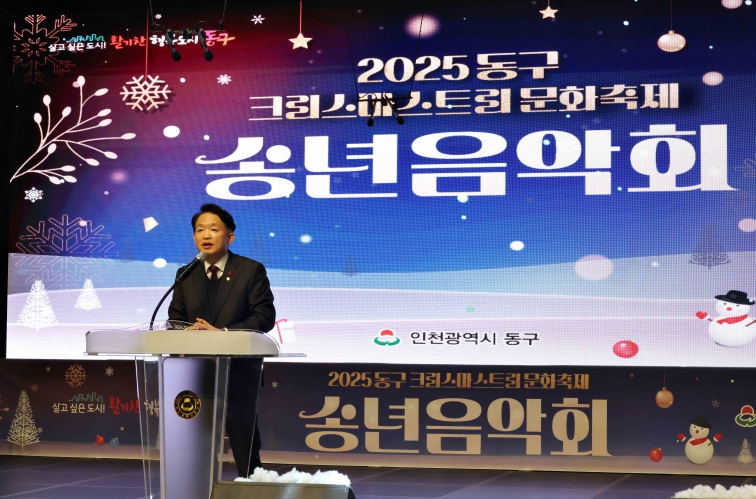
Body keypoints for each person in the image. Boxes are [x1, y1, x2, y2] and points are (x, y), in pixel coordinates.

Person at [168, 203, 275, 478]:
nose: (206, 235)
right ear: (194, 237)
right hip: (195, 371)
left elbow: (264, 317)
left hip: (239, 370)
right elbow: (174, 320)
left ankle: (251, 486)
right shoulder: (185, 273)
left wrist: (223, 333)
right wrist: (187, 332)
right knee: (194, 440)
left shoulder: (250, 270)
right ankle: (192, 487)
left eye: (214, 229)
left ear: (230, 237)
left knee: (243, 438)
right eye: (200, 230)